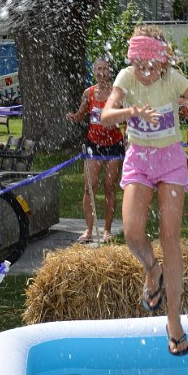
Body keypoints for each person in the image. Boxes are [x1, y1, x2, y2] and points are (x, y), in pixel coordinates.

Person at [101, 24, 188, 356]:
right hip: (139, 159)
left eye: (150, 66)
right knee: (132, 234)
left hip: (170, 161)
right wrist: (131, 111)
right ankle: (153, 270)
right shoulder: (125, 78)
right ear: (132, 60)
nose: (144, 72)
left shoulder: (173, 80)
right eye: (139, 65)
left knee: (170, 238)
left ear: (163, 62)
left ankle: (174, 321)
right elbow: (107, 115)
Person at [66, 58, 124, 243]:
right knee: (89, 187)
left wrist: (117, 121)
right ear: (94, 72)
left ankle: (107, 230)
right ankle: (89, 229)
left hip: (114, 144)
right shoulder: (89, 93)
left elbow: (126, 116)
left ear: (110, 71)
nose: (102, 73)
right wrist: (73, 117)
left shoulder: (117, 93)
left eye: (105, 69)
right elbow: (81, 114)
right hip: (94, 144)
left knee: (109, 187)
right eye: (98, 69)